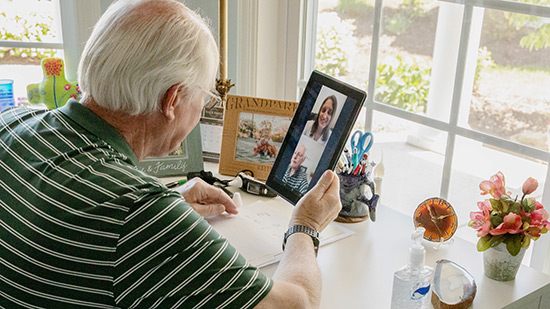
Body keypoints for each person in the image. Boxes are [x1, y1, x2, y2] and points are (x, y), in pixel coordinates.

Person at [0, 0, 342, 308]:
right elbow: (295, 305)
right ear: (173, 100)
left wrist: (168, 199)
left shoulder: (12, 122)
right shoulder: (139, 213)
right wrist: (305, 227)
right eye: (204, 97)